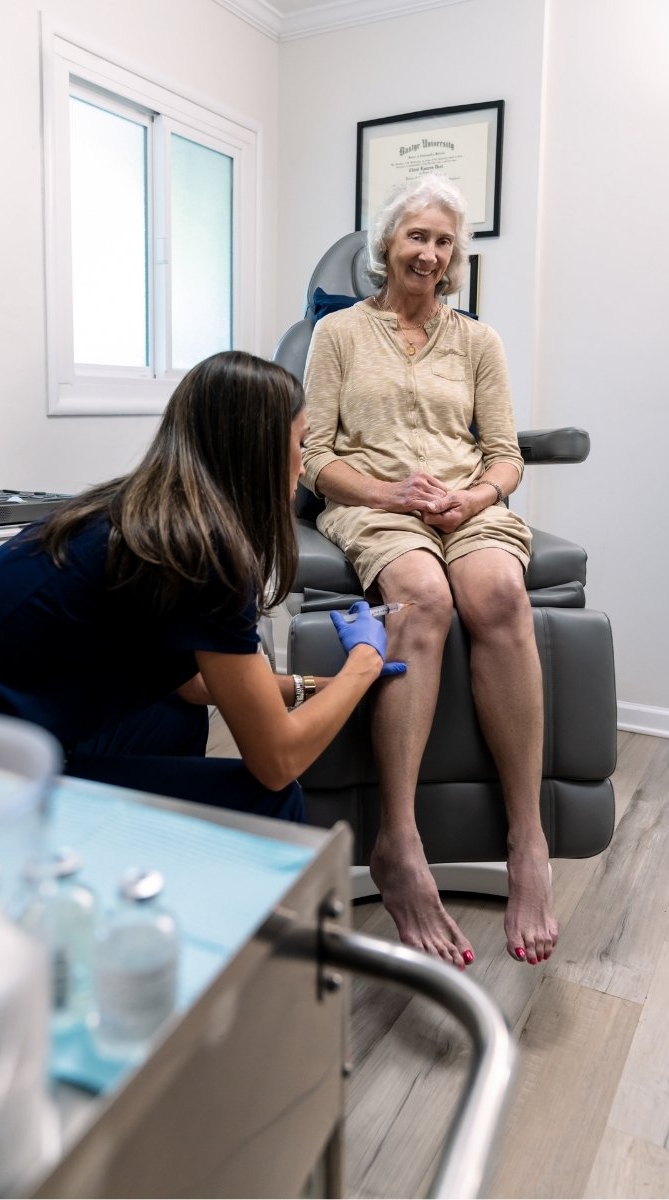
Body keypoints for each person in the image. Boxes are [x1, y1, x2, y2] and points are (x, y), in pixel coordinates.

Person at [0, 350, 405, 822]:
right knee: (272, 801)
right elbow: (278, 760)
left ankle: (139, 866)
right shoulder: (207, 551)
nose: (303, 461)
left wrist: (318, 686)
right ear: (260, 450)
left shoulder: (147, 513)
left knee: (174, 714)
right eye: (300, 441)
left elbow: (195, 685)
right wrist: (363, 664)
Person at [302, 174, 559, 969]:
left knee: (499, 592)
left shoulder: (480, 342)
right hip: (375, 505)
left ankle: (527, 836)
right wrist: (387, 491)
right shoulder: (339, 334)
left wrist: (474, 496)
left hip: (464, 505)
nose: (431, 253)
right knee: (423, 596)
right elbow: (312, 455)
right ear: (387, 244)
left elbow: (506, 455)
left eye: (445, 242)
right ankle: (400, 839)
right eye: (418, 236)